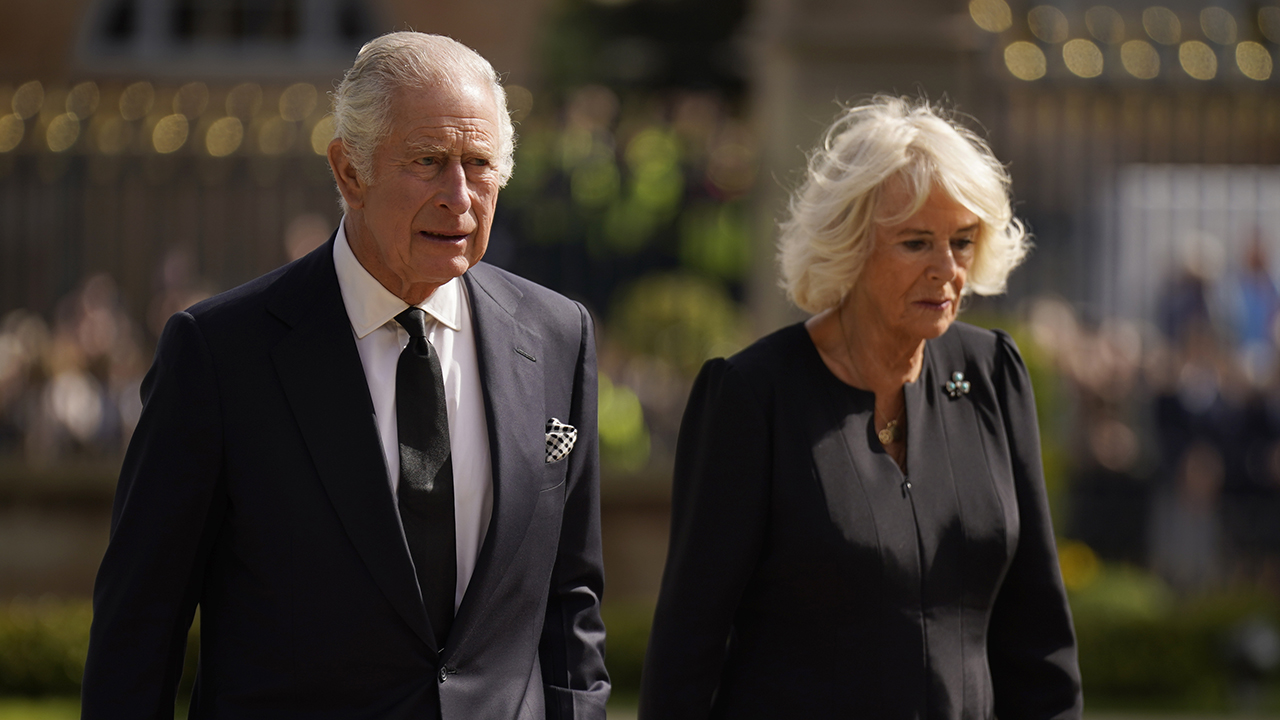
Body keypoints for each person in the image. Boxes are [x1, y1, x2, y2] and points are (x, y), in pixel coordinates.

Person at [82, 32, 609, 719]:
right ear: (349, 171)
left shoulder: (558, 335)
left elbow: (571, 603)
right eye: (429, 161)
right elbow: (139, 628)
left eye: (479, 164)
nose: (460, 197)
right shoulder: (220, 354)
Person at [639, 96, 1082, 719]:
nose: (947, 270)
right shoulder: (752, 396)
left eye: (962, 241)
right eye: (916, 243)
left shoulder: (992, 374)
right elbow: (689, 647)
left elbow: (1038, 634)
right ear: (848, 243)